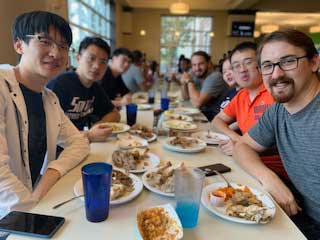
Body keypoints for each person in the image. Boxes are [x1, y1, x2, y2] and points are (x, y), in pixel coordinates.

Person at [0, 11, 89, 217]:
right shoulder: (2, 87)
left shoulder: (49, 99)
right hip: (9, 219)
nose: (56, 53)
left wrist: (50, 174)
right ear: (19, 45)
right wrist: (32, 206)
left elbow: (79, 143)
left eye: (63, 46)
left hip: (35, 204)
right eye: (45, 41)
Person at [233, 30, 320, 239]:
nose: (277, 74)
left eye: (288, 61)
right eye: (268, 65)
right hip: (301, 217)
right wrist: (268, 178)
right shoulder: (278, 110)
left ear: (314, 62)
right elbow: (242, 147)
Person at [212, 42, 287, 180]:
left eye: (247, 62)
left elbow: (279, 141)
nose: (242, 69)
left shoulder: (276, 92)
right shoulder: (241, 95)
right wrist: (239, 141)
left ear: (260, 64)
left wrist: (242, 146)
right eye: (236, 66)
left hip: (274, 170)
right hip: (246, 160)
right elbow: (217, 121)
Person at [48, 37, 120, 142]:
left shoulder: (94, 87)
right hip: (58, 151)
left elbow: (114, 114)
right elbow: (49, 131)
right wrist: (88, 135)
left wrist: (97, 126)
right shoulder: (60, 84)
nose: (96, 66)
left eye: (103, 62)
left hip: (80, 145)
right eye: (91, 58)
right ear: (78, 58)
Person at [180, 51, 228, 121]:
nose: (197, 68)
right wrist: (183, 83)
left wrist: (189, 81)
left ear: (208, 64)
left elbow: (197, 104)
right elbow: (185, 97)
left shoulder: (215, 77)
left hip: (215, 118)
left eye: (201, 64)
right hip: (204, 114)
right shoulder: (195, 74)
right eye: (194, 65)